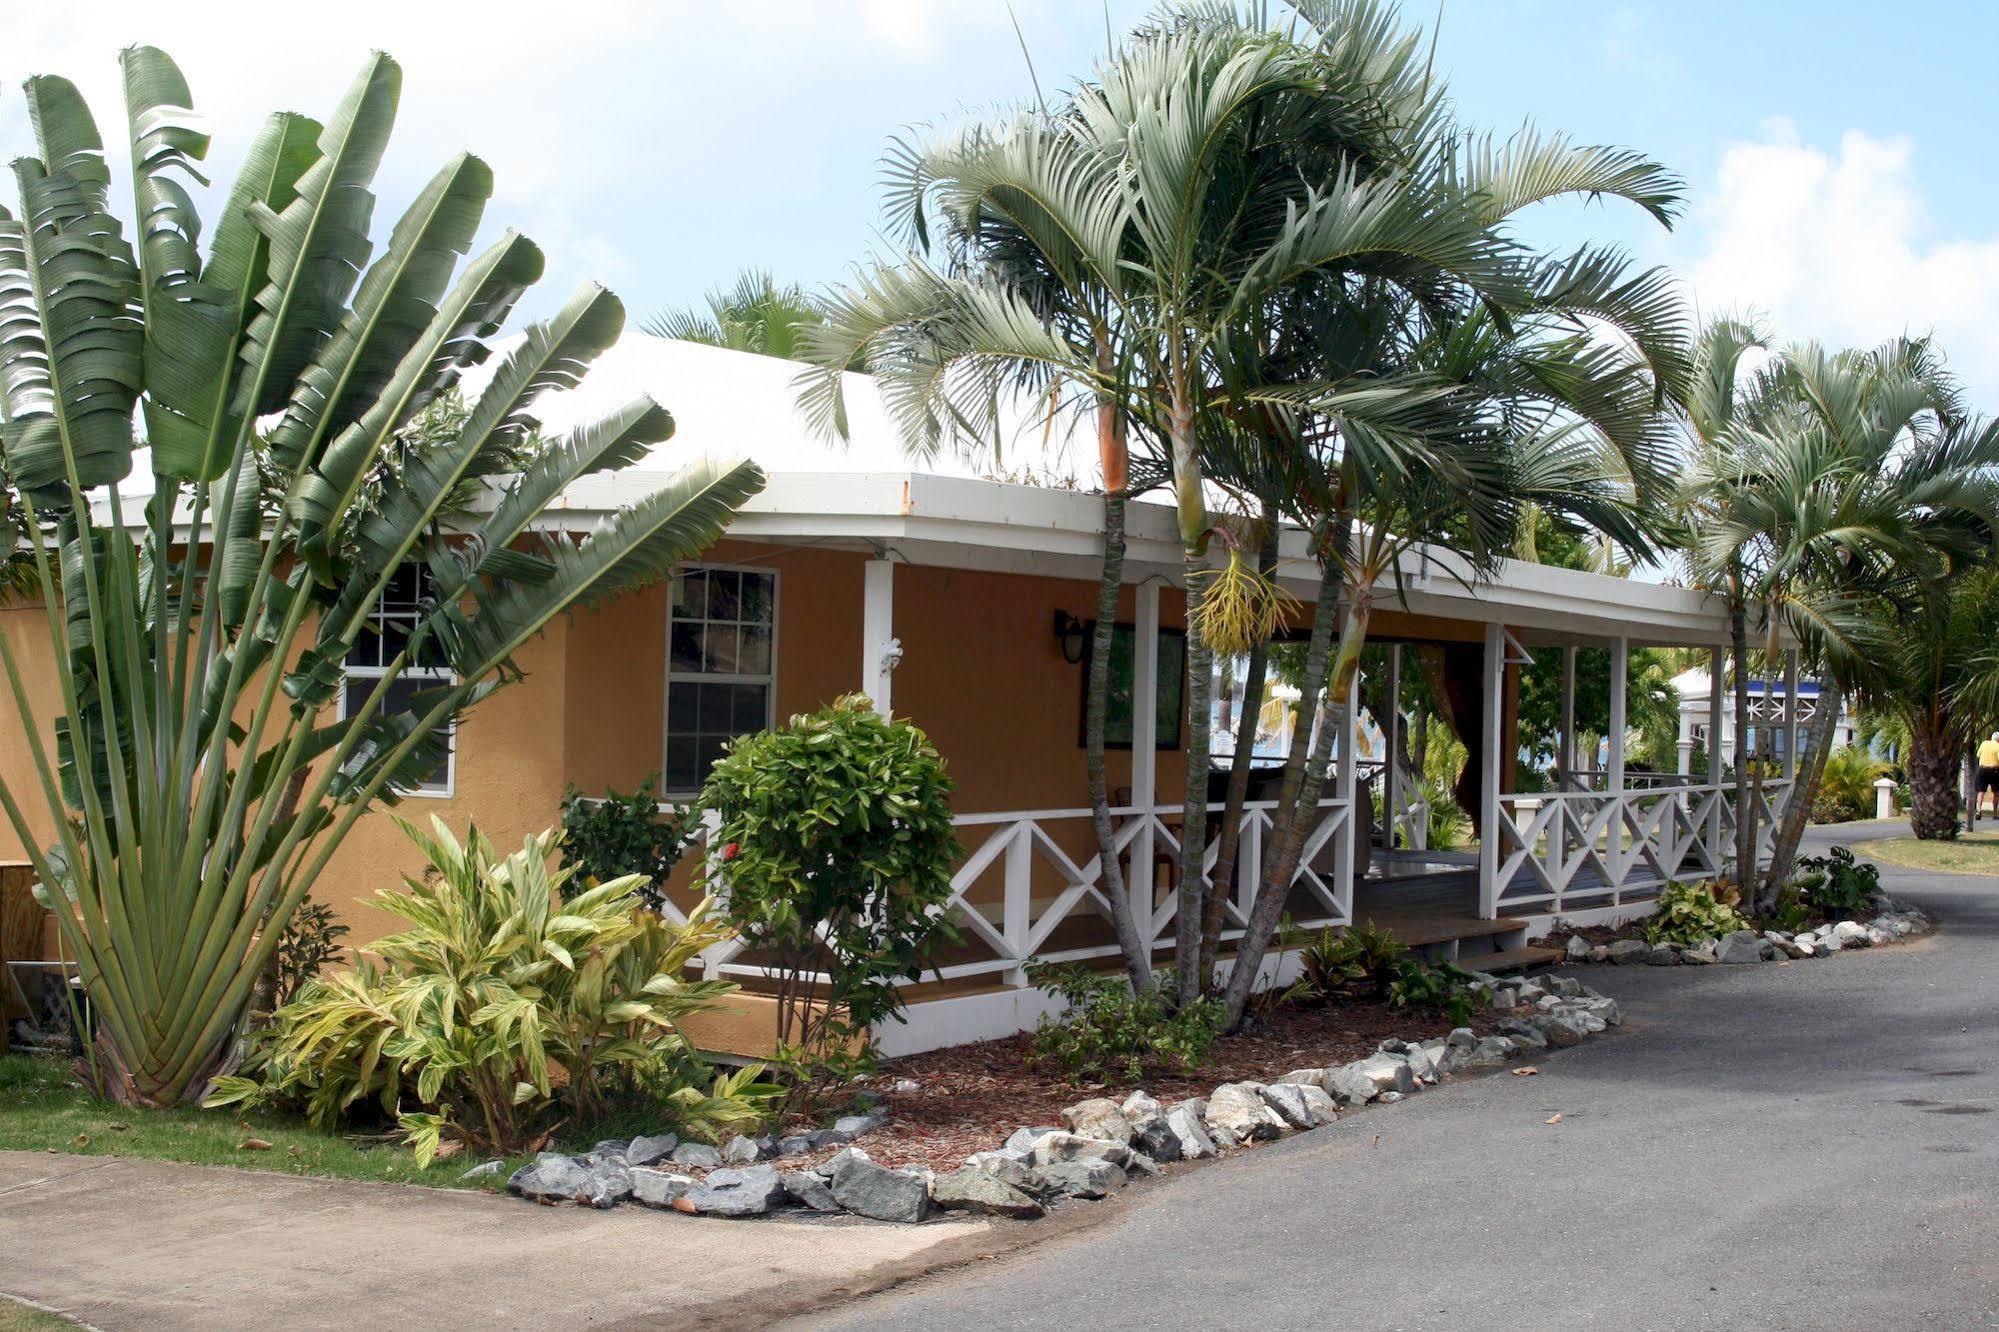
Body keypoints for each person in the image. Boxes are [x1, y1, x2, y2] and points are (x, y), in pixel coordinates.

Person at [1978, 731, 1999, 815]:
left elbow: (1978, 755)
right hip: (1994, 771)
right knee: (1996, 793)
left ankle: (1979, 811)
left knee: (1981, 791)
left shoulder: (1984, 743)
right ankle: (1995, 813)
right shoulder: (1998, 746)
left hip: (1982, 770)